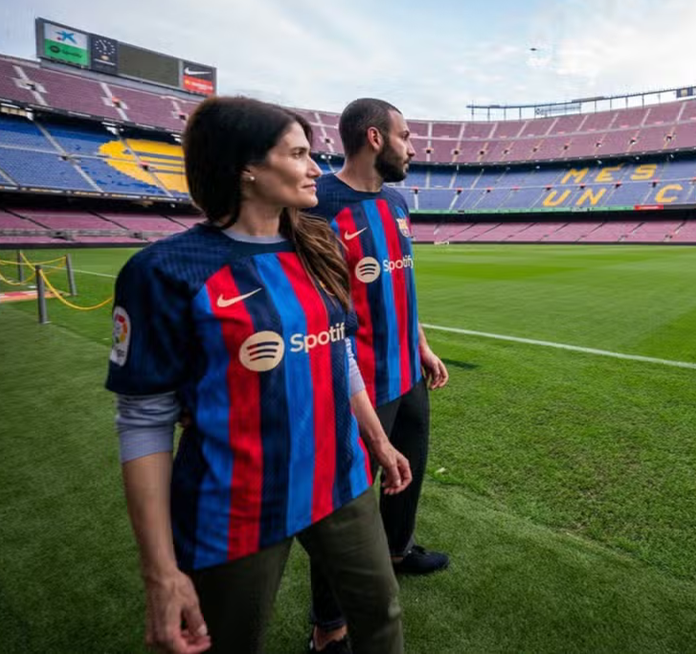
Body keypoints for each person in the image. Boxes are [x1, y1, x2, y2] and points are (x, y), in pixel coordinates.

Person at [106, 96, 411, 654]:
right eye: (297, 153)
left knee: (381, 616)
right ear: (246, 167)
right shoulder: (164, 272)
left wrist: (378, 439)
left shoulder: (316, 244)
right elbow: (144, 421)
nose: (315, 167)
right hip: (235, 504)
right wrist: (160, 570)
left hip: (341, 479)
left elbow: (337, 353)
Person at [305, 98, 449, 652]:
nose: (413, 147)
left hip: (408, 373)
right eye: (406, 136)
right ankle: (329, 622)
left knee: (408, 474)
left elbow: (400, 286)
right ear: (374, 138)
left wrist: (423, 345)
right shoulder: (319, 204)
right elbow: (320, 305)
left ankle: (397, 551)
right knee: (347, 502)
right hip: (358, 383)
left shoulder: (395, 201)